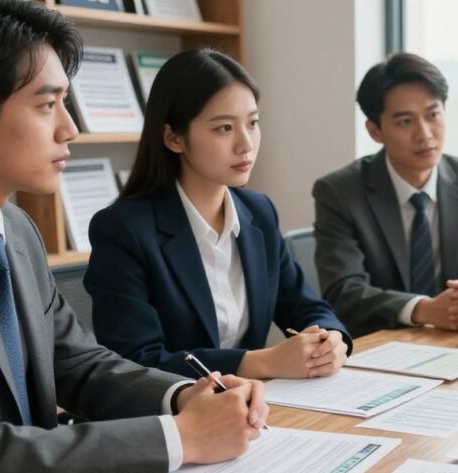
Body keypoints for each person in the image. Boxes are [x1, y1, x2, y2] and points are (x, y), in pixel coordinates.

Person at [0, 0, 267, 473]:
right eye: (46, 105)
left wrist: (185, 396)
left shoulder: (19, 232)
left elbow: (78, 363)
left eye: (66, 104)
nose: (70, 129)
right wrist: (178, 438)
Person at [85, 49, 351, 380]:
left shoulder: (258, 212)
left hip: (253, 411)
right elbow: (136, 361)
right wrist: (262, 362)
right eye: (224, 128)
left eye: (253, 123)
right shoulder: (124, 230)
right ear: (174, 138)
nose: (246, 145)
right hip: (174, 420)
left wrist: (331, 339)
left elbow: (305, 306)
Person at [312, 52, 458, 338]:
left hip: (454, 342)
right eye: (405, 121)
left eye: (433, 114)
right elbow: (344, 291)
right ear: (375, 130)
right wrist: (424, 309)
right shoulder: (340, 192)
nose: (425, 134)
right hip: (380, 348)